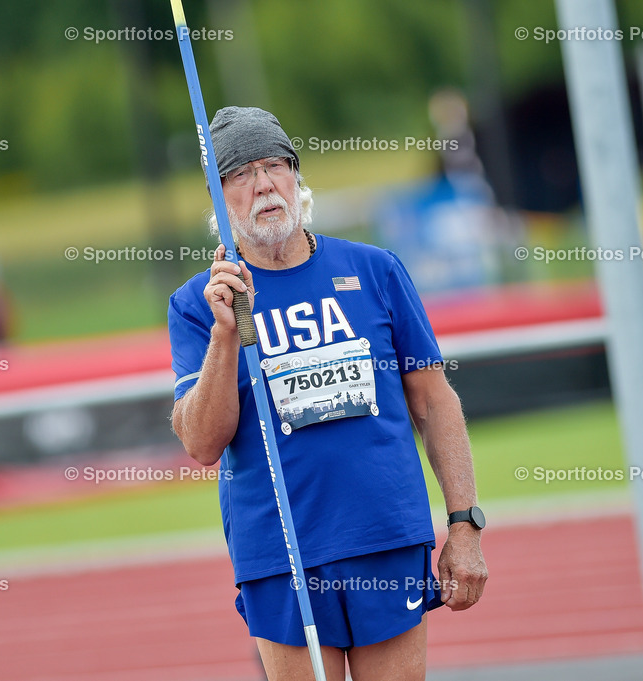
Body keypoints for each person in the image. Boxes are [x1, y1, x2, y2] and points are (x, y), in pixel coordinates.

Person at [168, 107, 487, 681]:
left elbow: (435, 401)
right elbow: (201, 442)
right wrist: (224, 335)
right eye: (239, 174)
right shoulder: (197, 303)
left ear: (296, 177)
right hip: (281, 552)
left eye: (274, 166)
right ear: (218, 200)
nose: (262, 184)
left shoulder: (374, 270)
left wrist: (464, 524)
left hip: (383, 534)